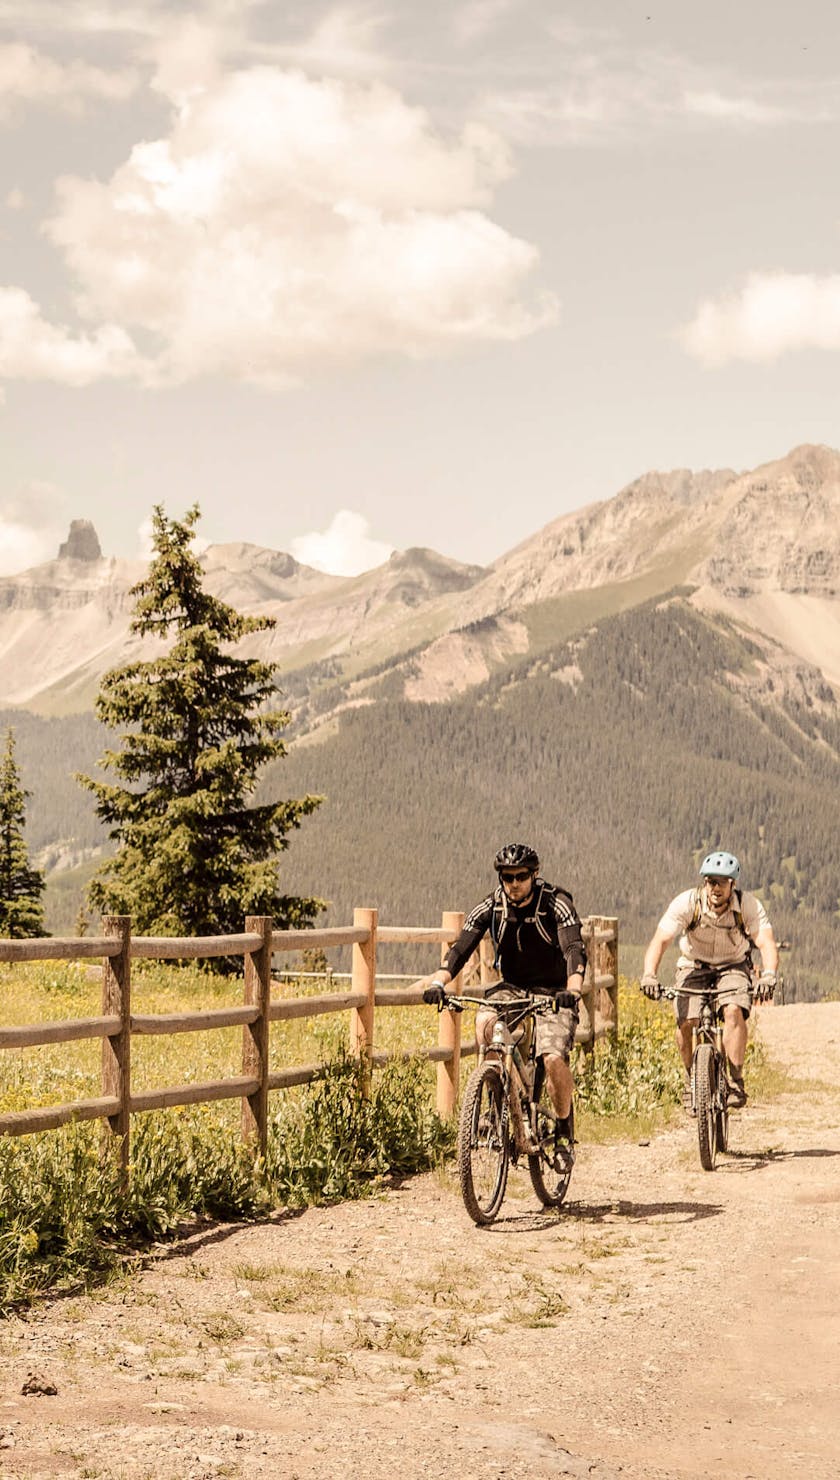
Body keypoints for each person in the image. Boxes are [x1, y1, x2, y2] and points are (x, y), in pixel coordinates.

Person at [423, 843, 587, 1135]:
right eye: (507, 877)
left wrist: (572, 990)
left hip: (553, 991)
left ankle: (563, 1128)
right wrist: (438, 982)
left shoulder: (555, 903)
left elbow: (574, 948)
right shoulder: (493, 905)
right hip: (512, 987)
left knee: (552, 1057)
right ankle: (494, 1105)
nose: (514, 884)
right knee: (485, 1024)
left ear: (534, 874)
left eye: (521, 876)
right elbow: (462, 947)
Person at [640, 850, 779, 1109]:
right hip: (693, 966)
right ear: (704, 882)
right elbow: (660, 941)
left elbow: (765, 942)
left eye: (722, 882)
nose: (715, 887)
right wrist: (649, 974)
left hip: (732, 965)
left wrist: (769, 974)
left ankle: (736, 1080)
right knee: (686, 1021)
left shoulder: (747, 905)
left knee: (734, 1011)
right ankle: (691, 1078)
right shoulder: (687, 903)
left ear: (732, 884)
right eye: (711, 881)